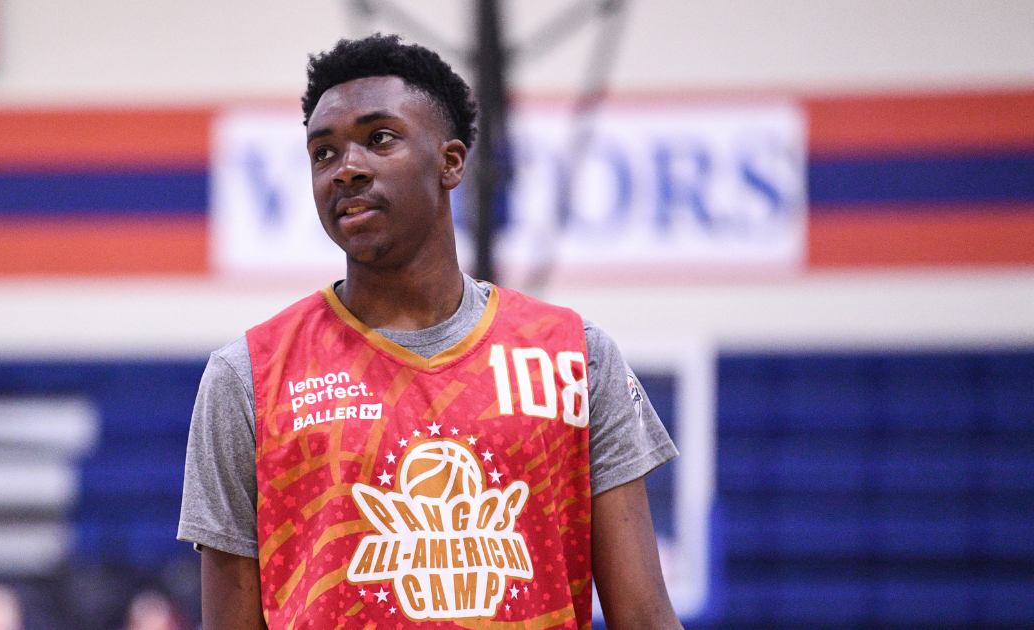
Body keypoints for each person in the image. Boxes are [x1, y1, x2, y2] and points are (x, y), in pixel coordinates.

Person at [178, 34, 682, 630]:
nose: (348, 169)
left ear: (451, 161)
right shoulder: (249, 377)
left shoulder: (574, 356)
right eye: (324, 153)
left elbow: (645, 617)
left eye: (379, 138)